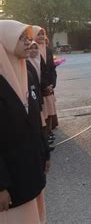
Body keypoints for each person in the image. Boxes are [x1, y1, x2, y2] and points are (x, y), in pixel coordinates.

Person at [0, 20, 50, 223]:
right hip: (11, 180)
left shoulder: (28, 74)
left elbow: (36, 119)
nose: (28, 42)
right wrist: (1, 185)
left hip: (31, 170)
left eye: (28, 38)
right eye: (21, 38)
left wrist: (44, 152)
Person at [33, 26, 58, 145]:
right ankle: (44, 133)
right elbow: (37, 71)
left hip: (49, 85)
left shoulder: (48, 50)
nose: (41, 36)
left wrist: (53, 83)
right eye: (38, 34)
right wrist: (44, 86)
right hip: (39, 85)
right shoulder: (32, 50)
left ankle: (48, 131)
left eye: (43, 34)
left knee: (50, 108)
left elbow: (52, 68)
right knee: (43, 110)